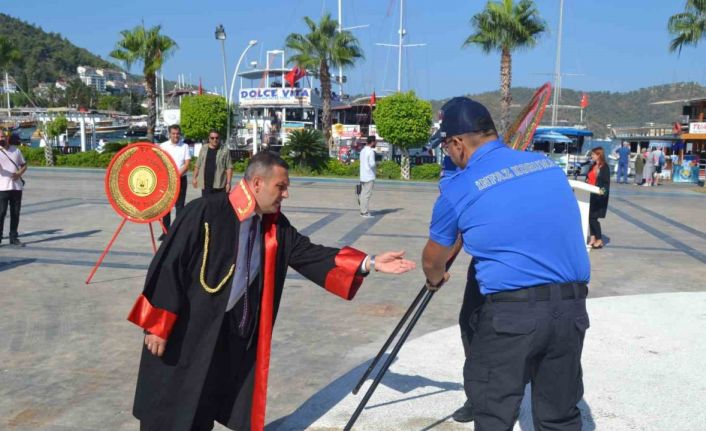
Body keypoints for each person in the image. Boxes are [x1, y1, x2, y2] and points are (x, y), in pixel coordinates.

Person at [127, 151, 416, 431]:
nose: (286, 194)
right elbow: (167, 265)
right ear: (256, 184)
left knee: (200, 408)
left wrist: (372, 262)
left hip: (221, 338)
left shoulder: (273, 228)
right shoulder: (205, 212)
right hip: (183, 332)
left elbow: (311, 254)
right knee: (168, 408)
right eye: (281, 187)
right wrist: (157, 326)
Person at [421, 97, 591, 430]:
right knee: (560, 416)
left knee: (493, 411)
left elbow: (432, 260)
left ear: (457, 143)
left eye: (445, 147)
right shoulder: (547, 167)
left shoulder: (459, 188)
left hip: (511, 315)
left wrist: (435, 280)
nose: (448, 155)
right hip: (571, 310)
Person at [159, 124, 191, 239]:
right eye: (173, 133)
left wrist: (176, 176)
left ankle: (177, 231)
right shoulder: (163, 146)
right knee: (166, 206)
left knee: (180, 206)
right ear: (169, 134)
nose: (176, 136)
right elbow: (159, 163)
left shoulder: (185, 146)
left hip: (181, 179)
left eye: (177, 133)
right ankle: (165, 231)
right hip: (167, 180)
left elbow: (187, 164)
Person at [0, 132, 27, 247]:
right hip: (2, 187)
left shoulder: (16, 151)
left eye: (3, 137)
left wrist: (19, 173)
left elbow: (24, 165)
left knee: (15, 213)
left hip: (16, 188)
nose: (1, 139)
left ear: (7, 137)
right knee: (1, 213)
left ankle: (14, 237)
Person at [192, 130, 233, 197]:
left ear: (219, 138)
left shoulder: (225, 150)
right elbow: (198, 164)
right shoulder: (203, 148)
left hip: (220, 185)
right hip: (206, 185)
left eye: (217, 138)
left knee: (218, 206)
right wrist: (194, 178)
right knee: (207, 206)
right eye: (212, 138)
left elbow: (229, 168)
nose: (215, 140)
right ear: (209, 138)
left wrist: (228, 183)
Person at [586, 147, 610, 249]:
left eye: (593, 154)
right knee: (590, 217)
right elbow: (588, 177)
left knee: (593, 218)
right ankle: (593, 238)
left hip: (599, 196)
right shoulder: (592, 166)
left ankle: (599, 240)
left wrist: (602, 192)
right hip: (591, 194)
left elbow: (606, 183)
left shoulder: (605, 167)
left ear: (599, 155)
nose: (592, 156)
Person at [359, 135, 376, 218]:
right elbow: (372, 164)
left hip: (363, 175)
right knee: (367, 195)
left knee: (363, 194)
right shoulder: (371, 151)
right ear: (372, 142)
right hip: (369, 176)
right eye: (375, 141)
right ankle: (364, 212)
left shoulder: (362, 150)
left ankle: (362, 210)